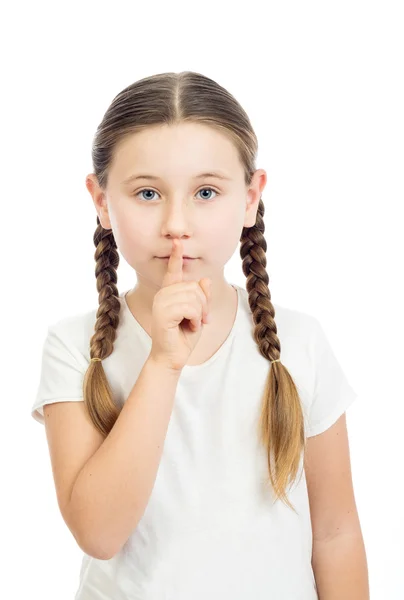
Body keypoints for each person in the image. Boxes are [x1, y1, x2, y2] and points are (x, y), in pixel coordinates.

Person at [31, 71, 368, 599]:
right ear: (100, 201)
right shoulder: (75, 347)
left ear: (251, 197)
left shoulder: (300, 343)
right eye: (147, 193)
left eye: (206, 192)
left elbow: (335, 532)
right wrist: (163, 362)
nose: (177, 223)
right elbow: (99, 533)